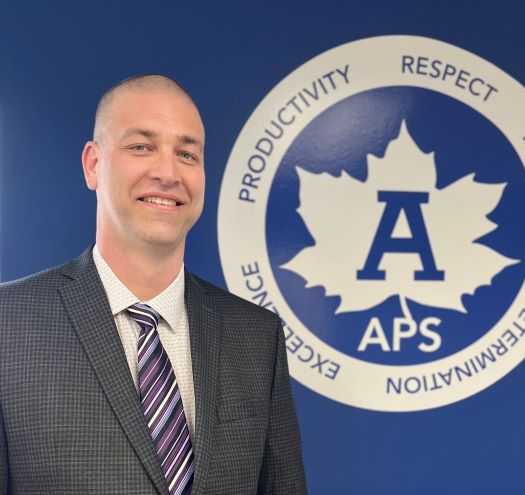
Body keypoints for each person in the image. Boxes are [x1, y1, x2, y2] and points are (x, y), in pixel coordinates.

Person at [0, 75, 307, 495]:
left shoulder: (256, 336)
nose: (167, 172)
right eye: (141, 146)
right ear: (93, 164)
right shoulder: (8, 324)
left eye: (186, 153)